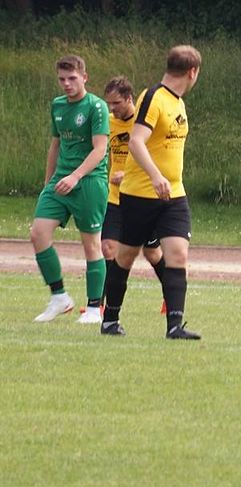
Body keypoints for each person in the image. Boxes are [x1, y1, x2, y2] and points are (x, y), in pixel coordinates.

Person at [101, 45, 202, 339]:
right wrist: (156, 176)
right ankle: (110, 320)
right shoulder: (153, 97)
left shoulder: (178, 102)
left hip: (174, 195)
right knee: (126, 256)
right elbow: (136, 141)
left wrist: (167, 180)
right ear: (192, 72)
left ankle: (175, 326)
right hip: (140, 195)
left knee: (177, 254)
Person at [30, 55, 109, 324]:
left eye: (72, 78)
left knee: (91, 244)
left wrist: (76, 176)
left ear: (84, 77)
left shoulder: (96, 107)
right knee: (38, 232)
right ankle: (59, 297)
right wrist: (48, 184)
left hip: (89, 182)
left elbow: (100, 149)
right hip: (61, 181)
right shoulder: (58, 105)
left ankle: (94, 309)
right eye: (62, 79)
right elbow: (55, 145)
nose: (66, 84)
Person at [101, 76, 166, 308]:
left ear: (129, 98)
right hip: (115, 198)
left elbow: (158, 159)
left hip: (140, 197)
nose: (112, 108)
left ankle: (171, 295)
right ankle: (101, 305)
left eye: (116, 103)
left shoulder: (143, 124)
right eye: (109, 103)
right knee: (108, 247)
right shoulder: (108, 123)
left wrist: (127, 175)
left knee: (152, 253)